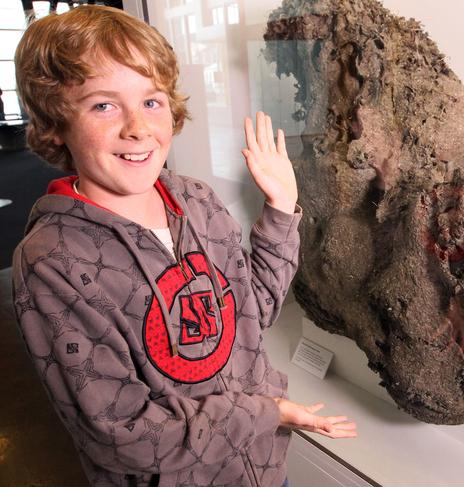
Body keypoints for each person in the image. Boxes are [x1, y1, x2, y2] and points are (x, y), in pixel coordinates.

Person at [12, 5, 356, 487]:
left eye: (151, 101)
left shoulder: (194, 198)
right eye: (103, 105)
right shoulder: (52, 262)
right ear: (54, 122)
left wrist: (280, 210)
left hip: (261, 465)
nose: (137, 127)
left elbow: (249, 316)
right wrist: (264, 413)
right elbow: (122, 435)